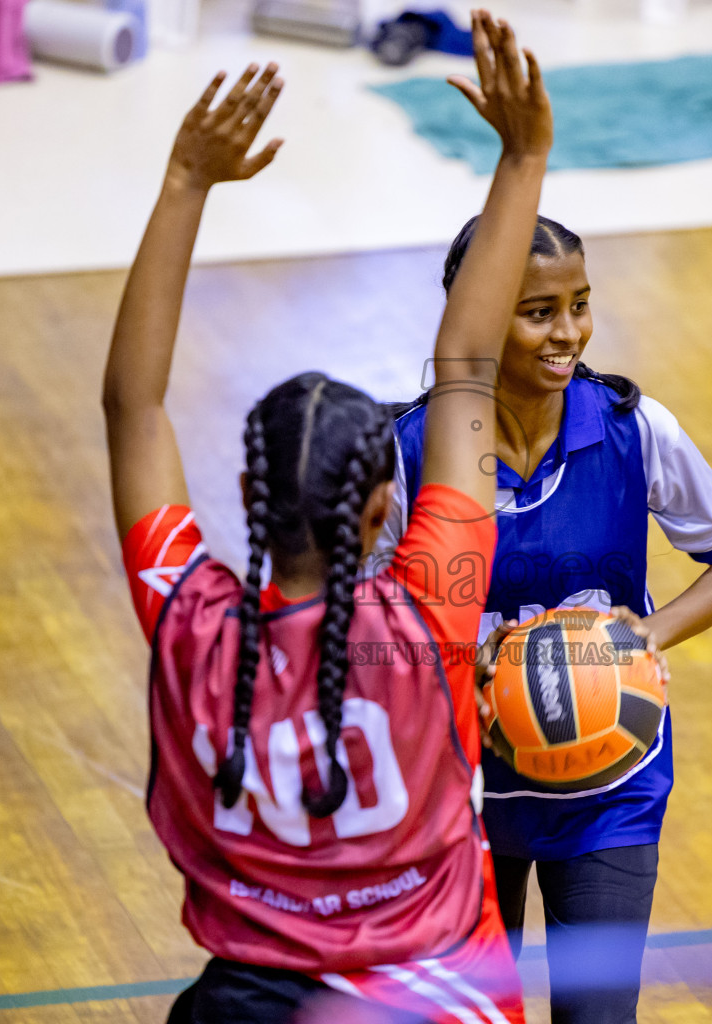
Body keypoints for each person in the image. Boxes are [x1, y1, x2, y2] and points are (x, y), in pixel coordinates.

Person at [102, 13, 552, 1022]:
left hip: (246, 1002)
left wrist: (186, 182)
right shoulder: (430, 611)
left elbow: (133, 408)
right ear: (386, 503)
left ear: (248, 498)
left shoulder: (192, 624)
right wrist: (524, 158)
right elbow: (468, 370)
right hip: (430, 997)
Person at [376, 218, 712, 1022]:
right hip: (462, 794)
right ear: (478, 313)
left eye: (580, 305)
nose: (569, 333)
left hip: (611, 786)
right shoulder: (407, 454)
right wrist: (459, 660)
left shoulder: (635, 429)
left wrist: (643, 637)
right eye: (539, 312)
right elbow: (359, 629)